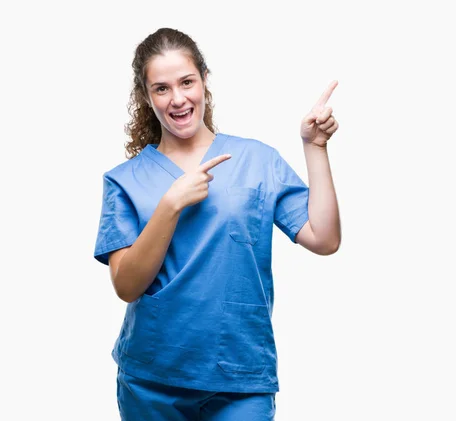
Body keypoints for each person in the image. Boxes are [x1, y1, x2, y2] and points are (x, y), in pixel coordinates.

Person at [93, 27, 341, 421]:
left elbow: (324, 238)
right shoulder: (124, 180)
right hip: (153, 379)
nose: (177, 99)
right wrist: (169, 205)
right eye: (161, 88)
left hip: (240, 377)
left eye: (186, 82)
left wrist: (315, 148)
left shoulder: (257, 159)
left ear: (204, 80)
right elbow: (126, 286)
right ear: (145, 96)